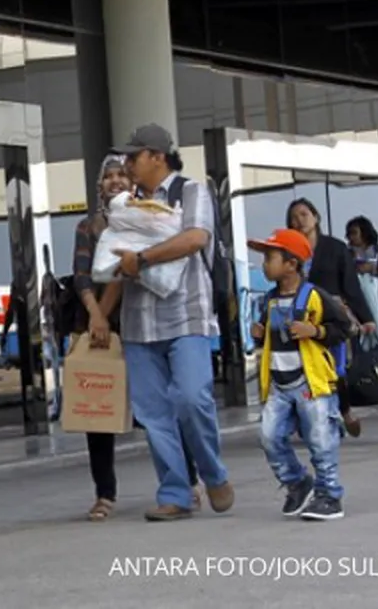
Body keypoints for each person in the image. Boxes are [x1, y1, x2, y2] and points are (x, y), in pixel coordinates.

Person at [102, 124, 234, 522]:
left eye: (133, 157)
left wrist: (143, 259)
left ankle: (212, 473)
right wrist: (100, 314)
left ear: (157, 156)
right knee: (154, 413)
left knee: (192, 399)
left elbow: (196, 238)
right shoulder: (126, 203)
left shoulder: (189, 192)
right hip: (138, 324)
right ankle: (175, 492)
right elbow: (114, 263)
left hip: (186, 314)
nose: (127, 165)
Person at [72, 154, 203, 521]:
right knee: (96, 413)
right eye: (107, 176)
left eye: (120, 175)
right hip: (101, 331)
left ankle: (187, 482)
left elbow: (140, 270)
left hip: (144, 325)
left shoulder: (151, 215)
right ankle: (104, 494)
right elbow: (82, 275)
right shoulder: (90, 226)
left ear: (132, 183)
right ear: (99, 187)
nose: (114, 181)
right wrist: (96, 316)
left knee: (163, 408)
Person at [250, 229, 352, 521]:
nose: (264, 265)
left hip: (311, 382)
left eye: (270, 258)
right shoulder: (268, 301)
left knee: (321, 439)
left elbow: (344, 327)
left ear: (292, 264)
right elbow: (272, 338)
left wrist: (315, 331)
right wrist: (258, 335)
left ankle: (329, 494)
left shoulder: (315, 296)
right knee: (268, 436)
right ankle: (297, 481)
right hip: (279, 384)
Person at [287, 199, 374, 437]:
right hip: (302, 317)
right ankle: (318, 419)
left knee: (336, 368)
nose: (299, 220)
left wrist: (365, 317)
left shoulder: (335, 248)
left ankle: (344, 413)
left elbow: (351, 285)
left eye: (304, 214)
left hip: (333, 316)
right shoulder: (289, 252)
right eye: (294, 217)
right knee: (307, 371)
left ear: (315, 217)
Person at [345, 215, 378, 342]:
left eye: (354, 233)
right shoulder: (346, 254)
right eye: (349, 234)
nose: (350, 237)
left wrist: (373, 268)